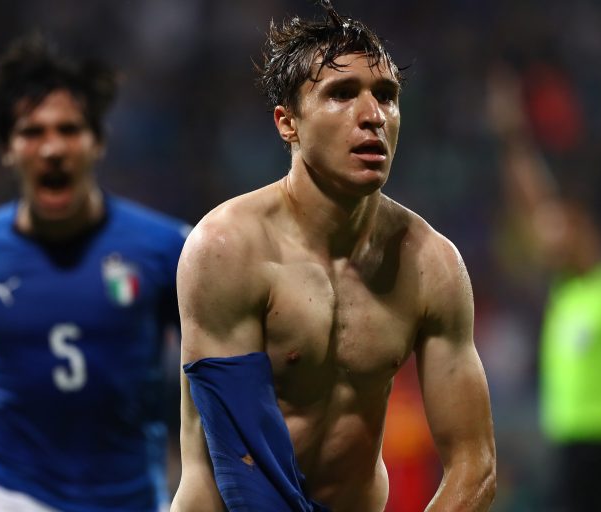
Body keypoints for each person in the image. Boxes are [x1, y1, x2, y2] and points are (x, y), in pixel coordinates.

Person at [171, 3, 497, 511]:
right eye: (342, 94)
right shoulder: (228, 248)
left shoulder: (432, 265)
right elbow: (243, 470)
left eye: (386, 96)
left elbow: (474, 467)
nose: (373, 116)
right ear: (288, 123)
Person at [0, 34, 189, 512]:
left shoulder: (167, 249)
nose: (52, 148)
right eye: (32, 132)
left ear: (97, 142)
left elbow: (220, 374)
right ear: (6, 148)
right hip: (4, 495)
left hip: (128, 500)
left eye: (69, 129)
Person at [486, 64, 601, 512]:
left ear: (589, 232)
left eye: (566, 229)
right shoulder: (565, 290)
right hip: (567, 442)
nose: (554, 238)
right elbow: (534, 204)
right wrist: (514, 137)